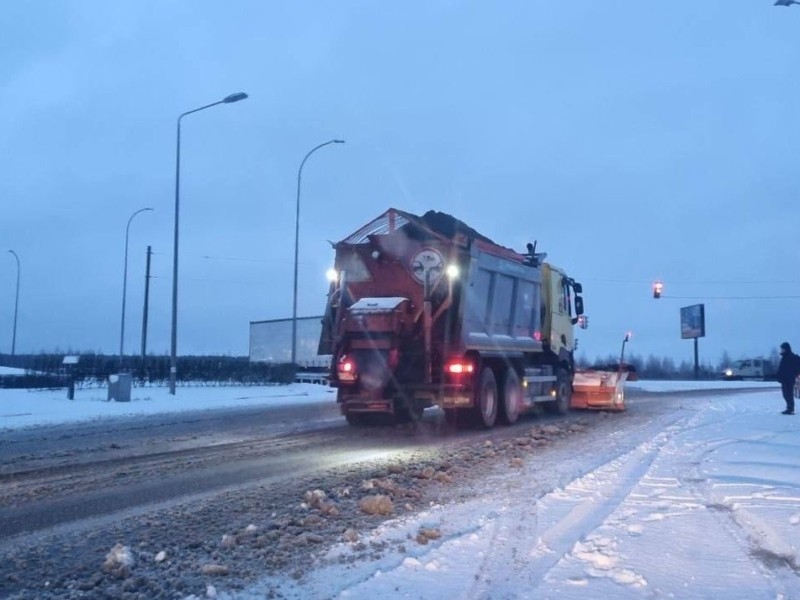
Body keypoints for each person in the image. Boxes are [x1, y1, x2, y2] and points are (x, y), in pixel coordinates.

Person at [776, 342, 800, 415]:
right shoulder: (784, 357)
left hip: (789, 379)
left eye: (782, 349)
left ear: (786, 349)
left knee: (788, 394)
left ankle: (790, 409)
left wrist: (794, 374)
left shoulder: (792, 357)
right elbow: (782, 368)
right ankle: (789, 408)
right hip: (784, 379)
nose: (781, 350)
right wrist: (779, 375)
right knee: (785, 394)